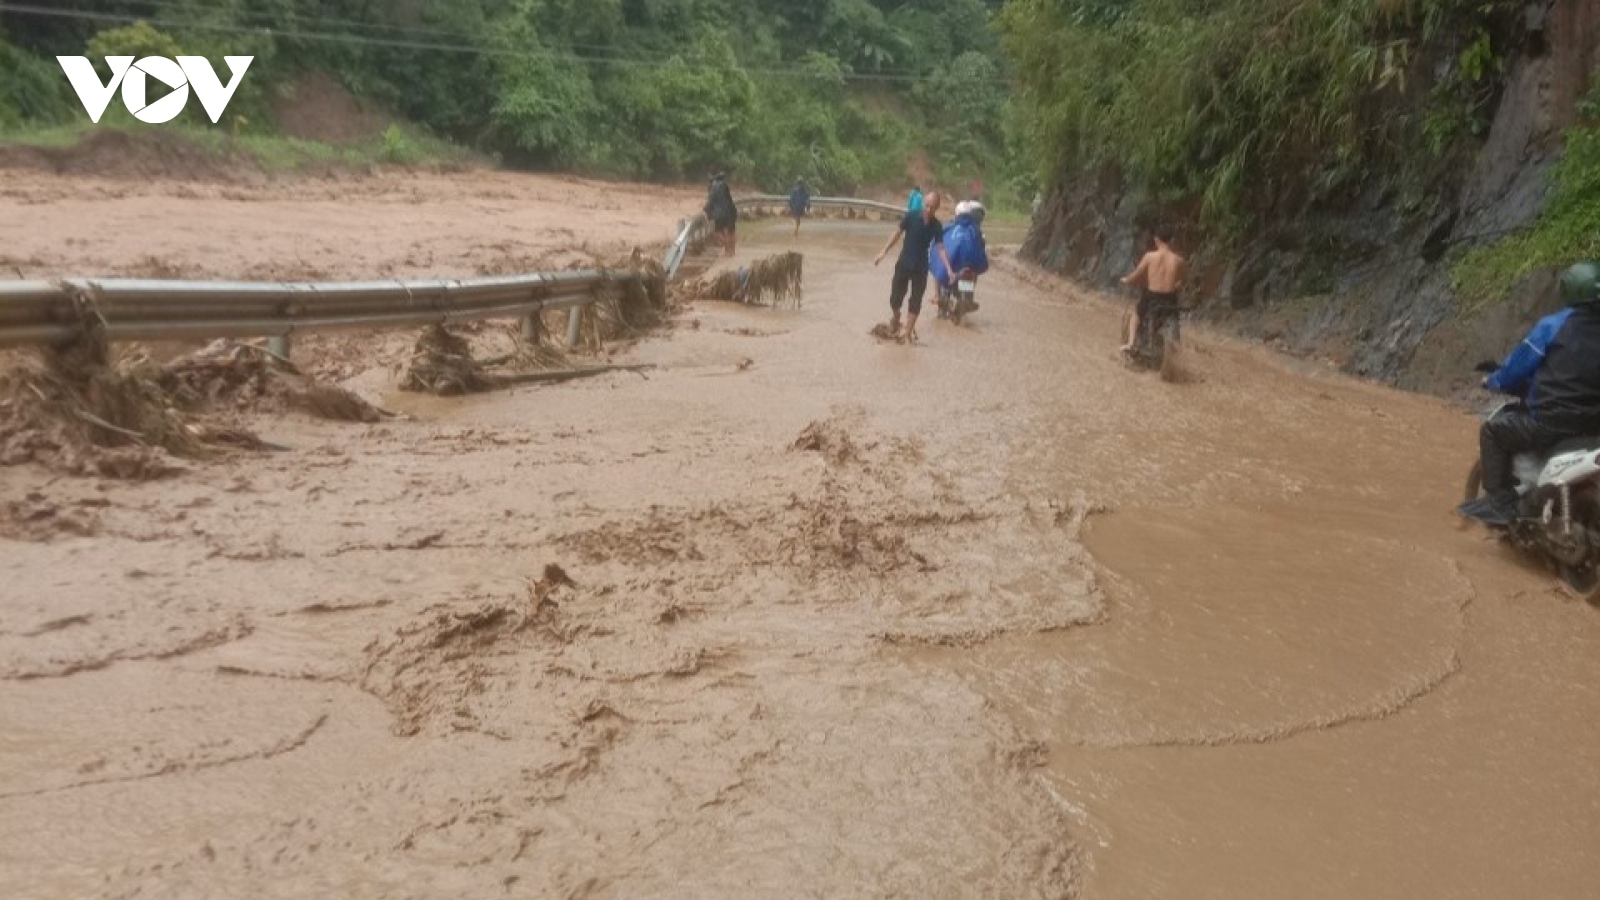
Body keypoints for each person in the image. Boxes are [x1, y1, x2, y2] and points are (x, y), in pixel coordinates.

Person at [1460, 262, 1600, 526]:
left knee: (1492, 431)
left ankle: (1498, 504)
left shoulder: (1554, 325)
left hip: (1549, 423)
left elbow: (1516, 369)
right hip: (1593, 428)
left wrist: (1494, 380)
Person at [874, 192, 955, 344]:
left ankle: (907, 333)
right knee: (895, 298)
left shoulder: (936, 226)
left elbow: (941, 248)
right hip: (904, 263)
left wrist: (949, 269)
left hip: (921, 267)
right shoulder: (911, 216)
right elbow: (897, 234)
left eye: (932, 207)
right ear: (924, 203)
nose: (928, 209)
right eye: (927, 205)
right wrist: (883, 252)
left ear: (937, 208)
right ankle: (896, 316)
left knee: (916, 301)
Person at [1120, 223, 1186, 356]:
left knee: (1136, 314)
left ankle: (1131, 343)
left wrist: (1127, 280)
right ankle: (1173, 348)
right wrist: (1176, 286)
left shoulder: (1150, 257)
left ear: (1156, 239)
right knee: (1173, 317)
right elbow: (1181, 281)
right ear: (1172, 240)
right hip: (1170, 299)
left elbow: (1137, 275)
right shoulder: (1178, 261)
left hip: (1152, 297)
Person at [930, 200, 990, 316]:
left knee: (937, 267)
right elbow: (981, 250)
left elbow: (937, 243)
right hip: (967, 267)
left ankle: (938, 295)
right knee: (973, 271)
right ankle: (968, 298)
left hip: (952, 265)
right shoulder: (976, 230)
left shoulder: (949, 227)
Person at [704, 172, 738, 257]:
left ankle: (727, 250)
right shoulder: (724, 185)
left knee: (718, 232)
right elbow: (729, 199)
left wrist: (707, 210)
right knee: (731, 232)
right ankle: (732, 251)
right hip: (730, 211)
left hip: (720, 214)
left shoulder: (713, 188)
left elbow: (710, 202)